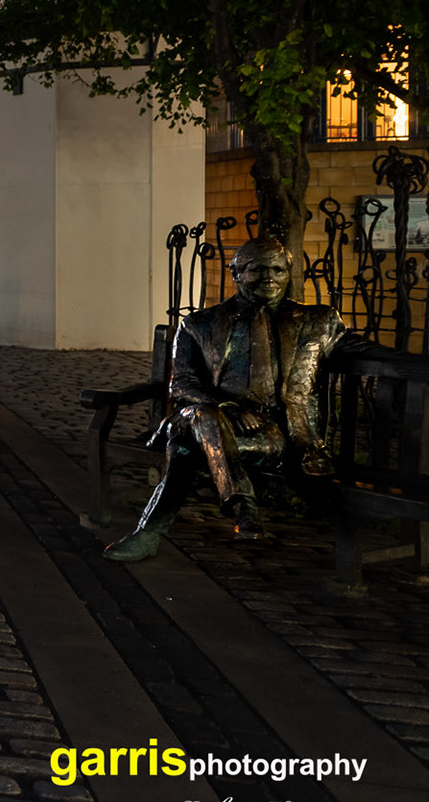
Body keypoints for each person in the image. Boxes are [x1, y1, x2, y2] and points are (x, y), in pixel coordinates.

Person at [104, 236, 351, 562]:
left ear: (288, 272)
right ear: (235, 273)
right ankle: (243, 507)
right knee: (205, 416)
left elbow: (359, 349)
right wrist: (229, 408)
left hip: (268, 435)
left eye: (278, 269)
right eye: (257, 269)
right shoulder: (198, 324)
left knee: (184, 448)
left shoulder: (317, 320)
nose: (269, 278)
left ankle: (148, 535)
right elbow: (181, 385)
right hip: (204, 418)